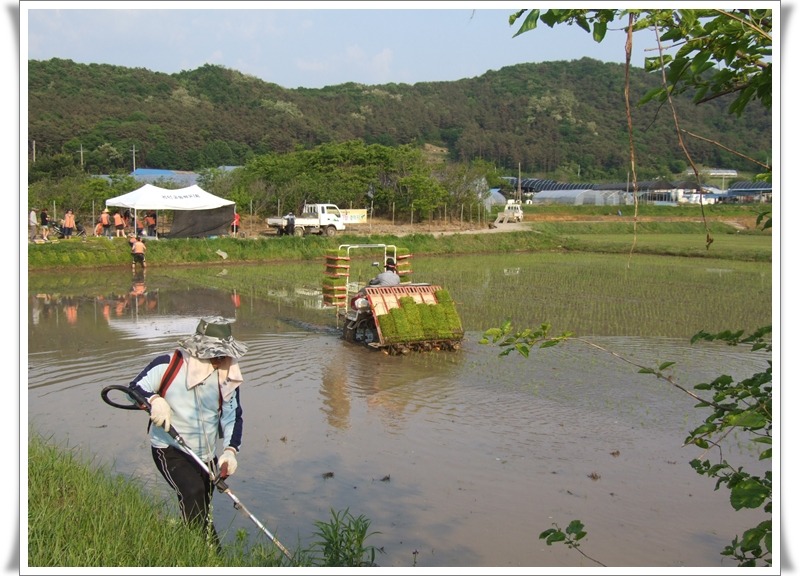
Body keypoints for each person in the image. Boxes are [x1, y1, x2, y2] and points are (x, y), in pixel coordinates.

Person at [128, 317, 248, 549]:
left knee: (203, 502)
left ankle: (202, 552)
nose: (219, 360)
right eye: (214, 354)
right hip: (170, 447)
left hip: (206, 454)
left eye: (223, 354)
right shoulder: (169, 364)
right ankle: (204, 554)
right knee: (192, 492)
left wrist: (230, 451)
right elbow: (134, 388)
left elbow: (233, 416)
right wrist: (154, 400)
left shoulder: (228, 375)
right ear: (199, 348)